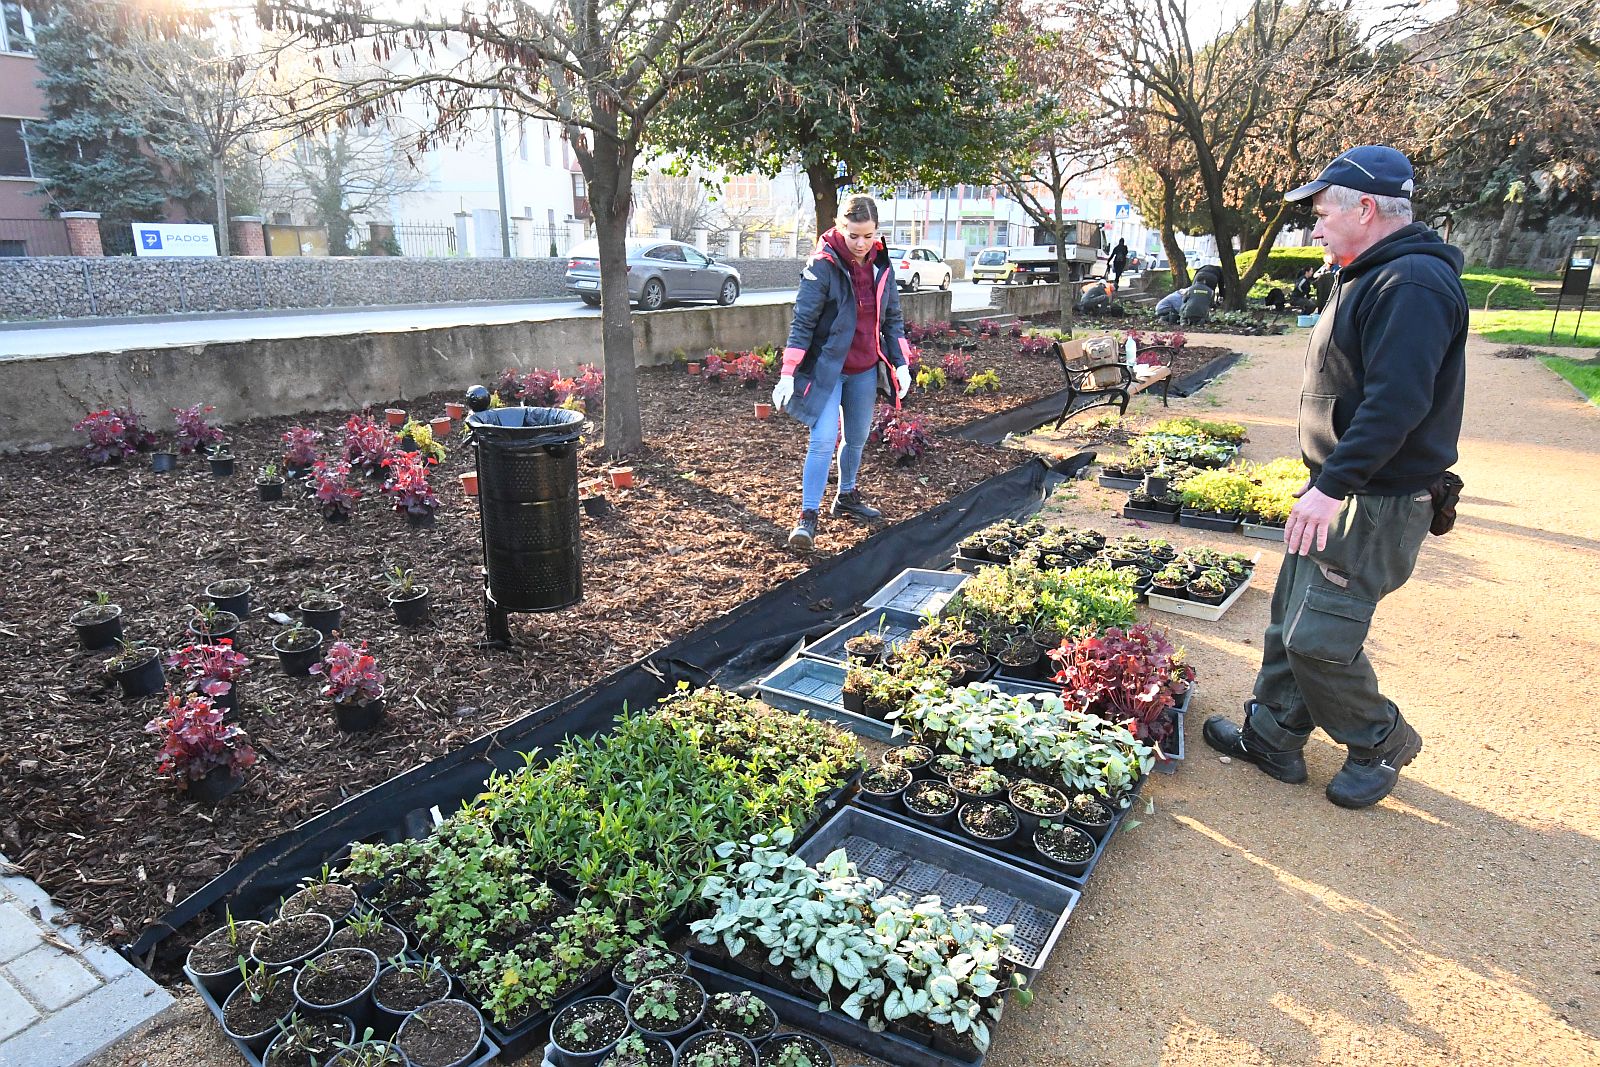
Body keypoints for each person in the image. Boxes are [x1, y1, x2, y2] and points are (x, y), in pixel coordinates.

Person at [1203, 145, 1467, 810]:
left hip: (1372, 499)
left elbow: (1396, 403)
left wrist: (1330, 487)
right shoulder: (1371, 273)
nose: (1313, 228)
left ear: (1367, 208)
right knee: (1289, 618)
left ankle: (1379, 738)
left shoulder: (1410, 284)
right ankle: (1273, 735)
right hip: (1344, 488)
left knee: (1319, 638)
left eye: (1322, 214)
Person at [772, 194, 912, 551]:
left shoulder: (882, 265)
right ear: (839, 227)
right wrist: (789, 372)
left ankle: (846, 495)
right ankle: (807, 517)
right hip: (827, 369)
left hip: (864, 368)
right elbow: (802, 322)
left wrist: (901, 363)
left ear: (877, 232)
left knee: (857, 437)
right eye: (853, 235)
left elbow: (892, 320)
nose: (861, 243)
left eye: (868, 235)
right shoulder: (822, 265)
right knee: (822, 439)